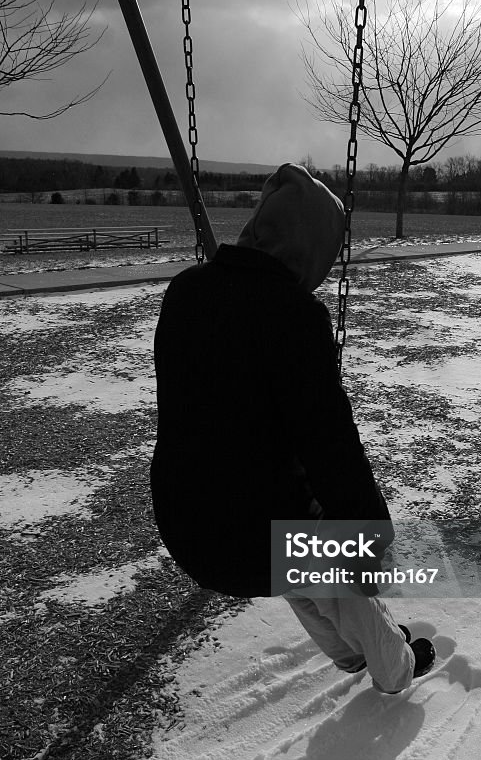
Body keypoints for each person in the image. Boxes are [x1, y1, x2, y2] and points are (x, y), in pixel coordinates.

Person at [150, 162, 435, 693]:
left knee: (290, 554)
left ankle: (347, 655)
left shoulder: (186, 291)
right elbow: (331, 447)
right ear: (310, 250)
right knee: (327, 562)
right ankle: (396, 668)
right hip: (252, 541)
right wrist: (369, 539)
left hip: (185, 525)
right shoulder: (293, 318)